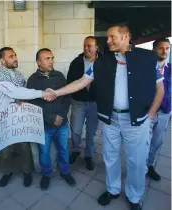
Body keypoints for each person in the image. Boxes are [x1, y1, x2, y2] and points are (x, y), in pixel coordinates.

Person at [47, 24, 164, 210]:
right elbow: (81, 81)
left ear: (126, 37)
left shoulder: (147, 58)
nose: (107, 41)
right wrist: (57, 92)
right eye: (107, 37)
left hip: (137, 121)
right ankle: (113, 189)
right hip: (110, 121)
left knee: (136, 161)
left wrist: (150, 115)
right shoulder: (101, 63)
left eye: (112, 37)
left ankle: (134, 197)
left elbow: (160, 89)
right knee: (111, 157)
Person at [0, 47, 56, 187]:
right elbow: (14, 91)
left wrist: (22, 99)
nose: (15, 58)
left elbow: (22, 93)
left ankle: (27, 173)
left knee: (24, 147)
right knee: (6, 151)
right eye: (11, 56)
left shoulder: (19, 75)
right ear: (2, 60)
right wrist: (42, 93)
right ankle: (7, 173)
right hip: (3, 118)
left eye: (15, 55)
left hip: (18, 117)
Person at [27, 48, 76, 190]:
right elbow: (33, 104)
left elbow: (67, 97)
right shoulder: (32, 80)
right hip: (44, 125)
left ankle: (65, 172)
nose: (51, 61)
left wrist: (61, 116)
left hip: (61, 124)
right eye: (47, 58)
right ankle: (46, 175)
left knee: (64, 149)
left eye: (52, 58)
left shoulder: (60, 76)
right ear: (38, 62)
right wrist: (50, 118)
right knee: (44, 152)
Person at [67, 36, 101, 170]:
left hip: (94, 103)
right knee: (75, 130)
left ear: (96, 47)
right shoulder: (76, 62)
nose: (86, 48)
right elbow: (70, 80)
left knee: (91, 131)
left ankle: (88, 155)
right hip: (78, 102)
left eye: (90, 46)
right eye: (85, 45)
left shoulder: (103, 62)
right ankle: (75, 150)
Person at [146, 38, 171, 181]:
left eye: (167, 48)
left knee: (157, 142)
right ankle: (140, 167)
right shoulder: (147, 67)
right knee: (144, 142)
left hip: (164, 113)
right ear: (154, 49)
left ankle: (149, 166)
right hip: (148, 111)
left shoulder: (171, 69)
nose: (164, 51)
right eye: (161, 48)